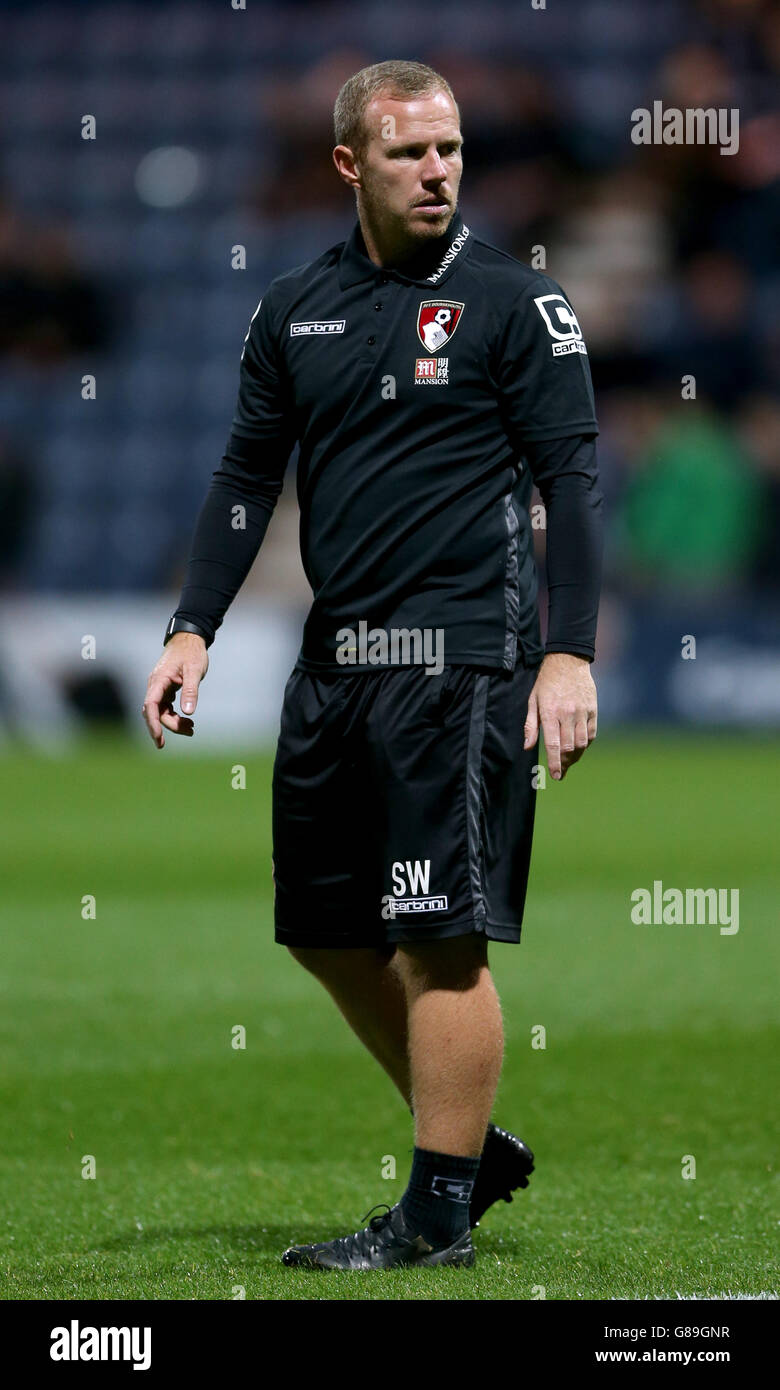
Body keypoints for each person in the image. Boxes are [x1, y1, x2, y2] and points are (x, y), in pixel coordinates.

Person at [142, 60, 603, 1271]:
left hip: (462, 664)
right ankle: (471, 1148)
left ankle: (436, 1214)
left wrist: (568, 653)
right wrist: (193, 627)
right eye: (409, 152)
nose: (437, 171)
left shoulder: (518, 304)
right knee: (323, 928)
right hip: (334, 665)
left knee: (438, 935)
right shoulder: (294, 307)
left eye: (450, 149)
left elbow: (573, 484)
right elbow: (247, 477)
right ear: (350, 164)